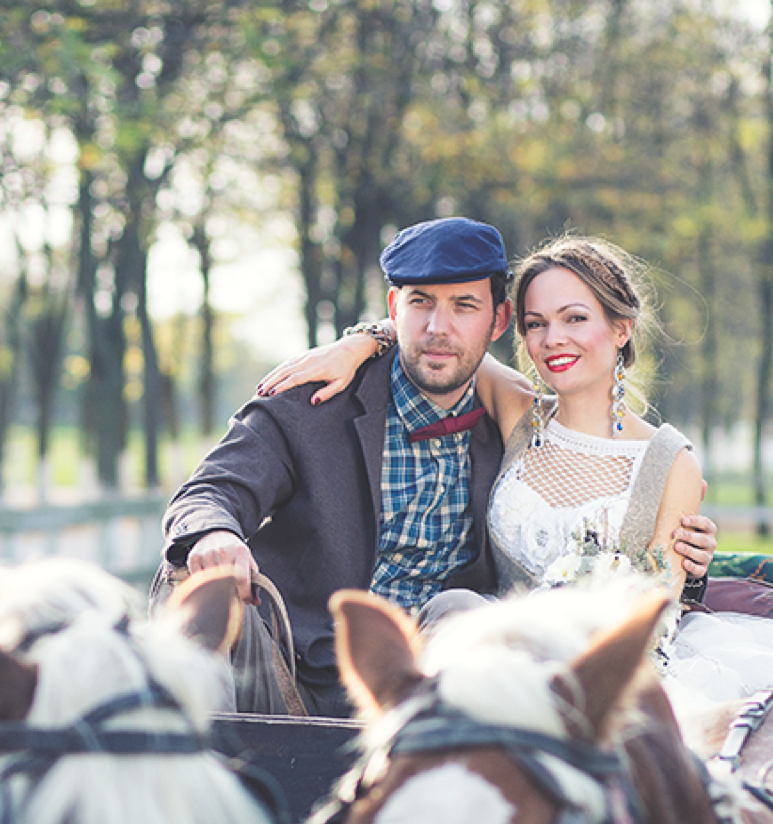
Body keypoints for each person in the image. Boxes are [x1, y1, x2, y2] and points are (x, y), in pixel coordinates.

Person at [162, 217, 716, 716]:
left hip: (434, 680)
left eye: (464, 306)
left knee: (461, 609)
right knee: (193, 578)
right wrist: (213, 531)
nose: (438, 327)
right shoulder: (317, 400)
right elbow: (210, 490)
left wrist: (691, 570)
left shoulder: (504, 411)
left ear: (497, 321)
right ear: (395, 308)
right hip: (295, 663)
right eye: (420, 302)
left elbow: (654, 578)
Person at [268, 234, 769, 703]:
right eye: (536, 323)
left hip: (604, 678)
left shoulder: (670, 462)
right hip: (492, 662)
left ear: (621, 329)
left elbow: (657, 625)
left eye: (574, 319)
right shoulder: (518, 413)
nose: (553, 339)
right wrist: (358, 343)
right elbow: (437, 338)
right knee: (455, 609)